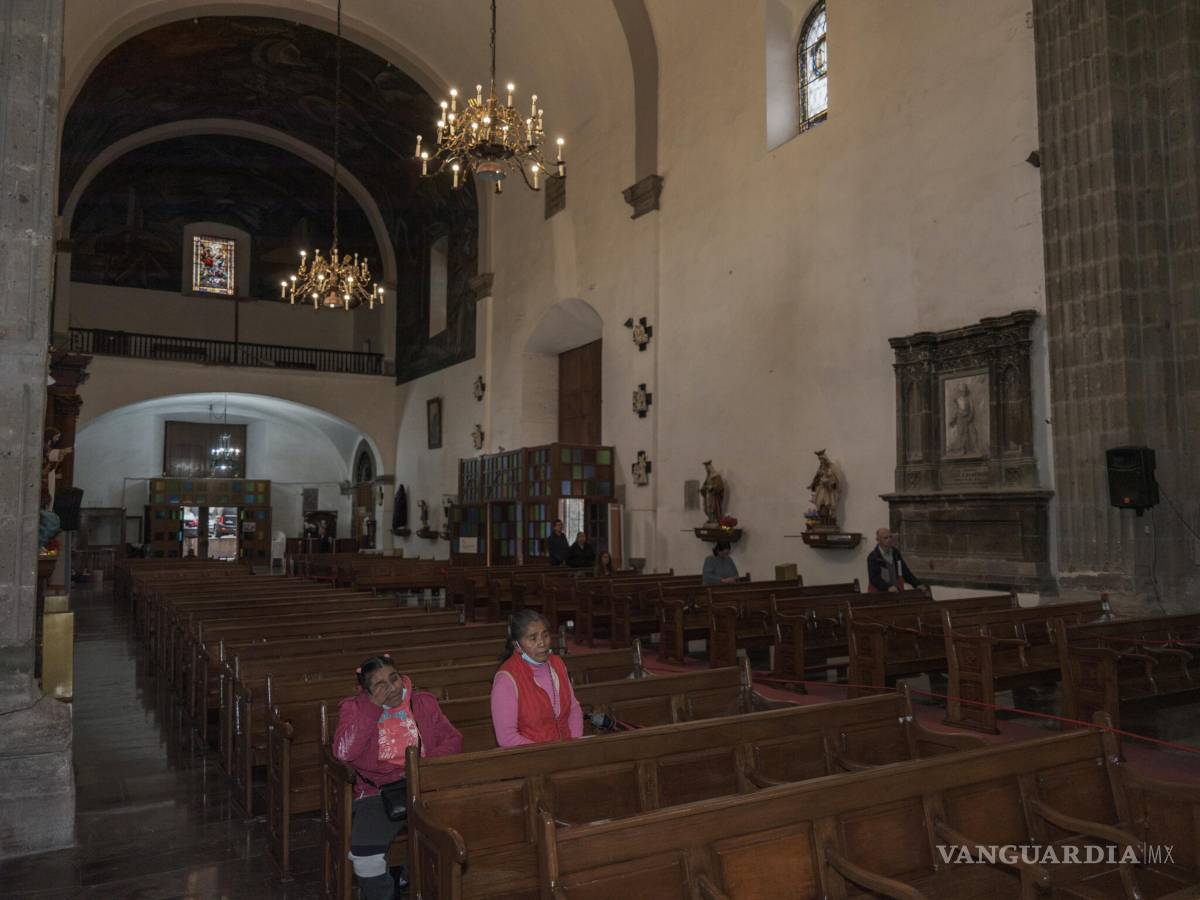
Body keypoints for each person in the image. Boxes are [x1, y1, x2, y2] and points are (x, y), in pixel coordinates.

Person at [334, 654, 463, 900]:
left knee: (445, 837)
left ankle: (408, 878)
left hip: (423, 784)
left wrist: (423, 764)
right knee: (365, 859)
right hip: (377, 792)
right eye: (379, 685)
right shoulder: (355, 708)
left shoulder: (422, 701)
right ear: (366, 691)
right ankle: (385, 894)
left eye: (394, 679)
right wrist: (372, 708)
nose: (391, 688)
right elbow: (343, 751)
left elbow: (454, 739)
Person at [490, 609, 583, 747]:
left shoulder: (558, 664)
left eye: (545, 636)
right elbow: (507, 738)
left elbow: (574, 709)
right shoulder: (506, 679)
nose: (542, 643)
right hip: (530, 758)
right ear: (517, 645)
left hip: (567, 751)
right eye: (533, 638)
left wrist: (574, 745)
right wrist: (547, 754)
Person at [867, 528, 922, 593]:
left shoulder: (895, 553)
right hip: (879, 594)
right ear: (878, 540)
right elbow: (874, 578)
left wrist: (917, 584)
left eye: (890, 537)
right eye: (886, 538)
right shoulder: (873, 557)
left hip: (896, 592)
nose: (889, 540)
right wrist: (887, 587)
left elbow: (905, 572)